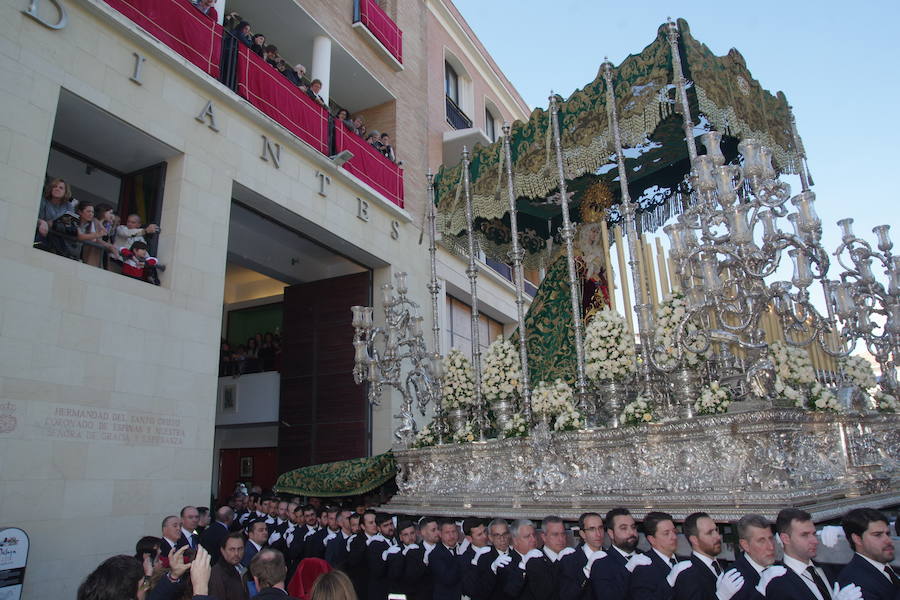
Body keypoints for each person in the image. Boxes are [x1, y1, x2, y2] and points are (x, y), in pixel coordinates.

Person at [671, 511, 736, 600]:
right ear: (694, 540)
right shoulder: (688, 575)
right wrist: (720, 597)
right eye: (709, 533)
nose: (717, 536)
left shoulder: (721, 566)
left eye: (716, 530)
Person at [836, 508, 897, 600]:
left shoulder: (887, 567)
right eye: (877, 535)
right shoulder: (854, 586)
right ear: (857, 539)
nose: (888, 540)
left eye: (888, 534)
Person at [589, 508, 645, 600]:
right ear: (611, 533)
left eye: (633, 527)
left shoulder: (646, 557)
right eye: (624, 528)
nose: (631, 532)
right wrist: (628, 569)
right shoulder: (602, 564)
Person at [501, 519, 557, 600]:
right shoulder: (506, 562)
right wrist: (523, 565)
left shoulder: (543, 557)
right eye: (527, 537)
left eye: (534, 535)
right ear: (515, 540)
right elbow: (510, 592)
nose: (533, 540)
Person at [628, 511, 679, 600]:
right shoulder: (644, 568)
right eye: (666, 533)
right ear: (652, 539)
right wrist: (669, 582)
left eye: (674, 531)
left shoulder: (684, 561)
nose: (674, 537)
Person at [559, 512, 605, 600]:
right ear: (582, 534)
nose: (598, 534)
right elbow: (567, 595)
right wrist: (586, 572)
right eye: (592, 529)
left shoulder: (611, 557)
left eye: (600, 528)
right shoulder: (569, 561)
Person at [730, 514, 776, 600]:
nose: (771, 547)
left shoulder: (782, 568)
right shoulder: (734, 581)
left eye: (771, 538)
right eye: (761, 541)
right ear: (745, 545)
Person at [209, 531, 249, 600]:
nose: (236, 553)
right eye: (232, 549)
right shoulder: (216, 573)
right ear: (223, 551)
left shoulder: (244, 569)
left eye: (240, 549)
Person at [431, 517, 464, 600]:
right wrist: (460, 556)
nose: (451, 536)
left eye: (454, 531)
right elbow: (448, 579)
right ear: (440, 534)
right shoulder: (435, 554)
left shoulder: (465, 549)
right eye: (447, 532)